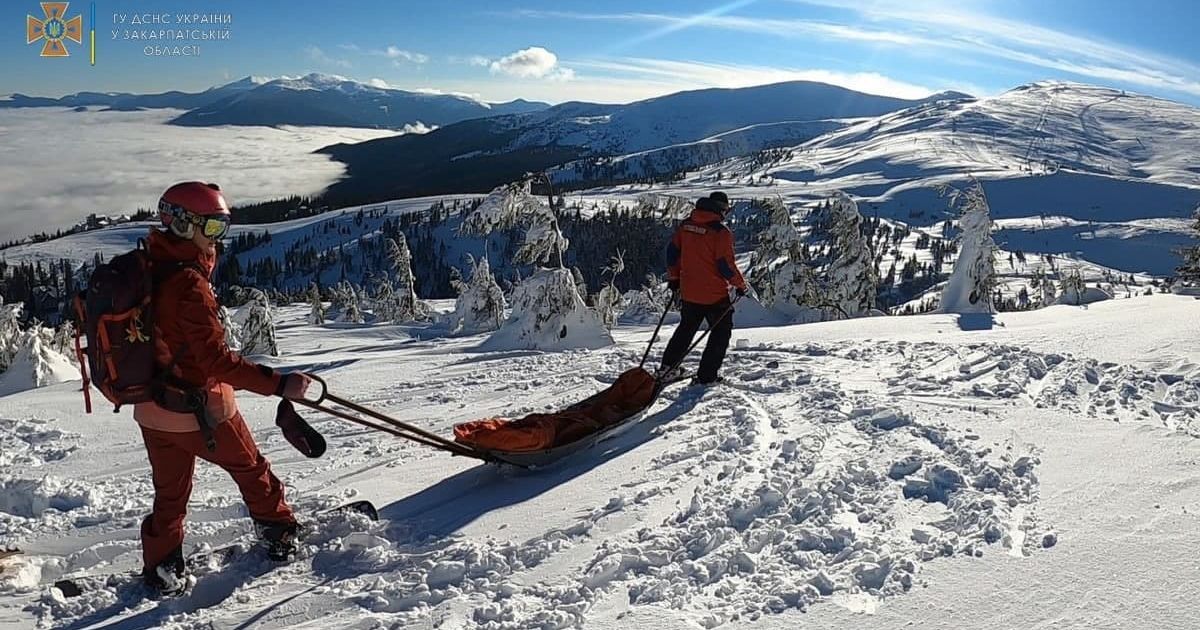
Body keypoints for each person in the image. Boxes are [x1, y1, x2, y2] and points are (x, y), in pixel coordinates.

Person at [136, 181, 313, 594]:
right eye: (212, 229)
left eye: (222, 228)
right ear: (182, 225)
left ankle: (162, 562)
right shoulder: (188, 284)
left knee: (170, 493)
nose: (218, 240)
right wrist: (280, 383)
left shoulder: (148, 263)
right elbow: (216, 361)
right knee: (251, 469)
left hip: (151, 408)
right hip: (201, 409)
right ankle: (279, 531)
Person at [657, 191, 748, 385]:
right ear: (722, 209)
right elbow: (725, 266)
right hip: (714, 294)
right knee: (720, 332)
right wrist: (740, 285)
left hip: (689, 289)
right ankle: (707, 376)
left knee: (686, 328)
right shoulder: (720, 232)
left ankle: (668, 369)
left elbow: (672, 253)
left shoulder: (687, 225)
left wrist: (674, 278)